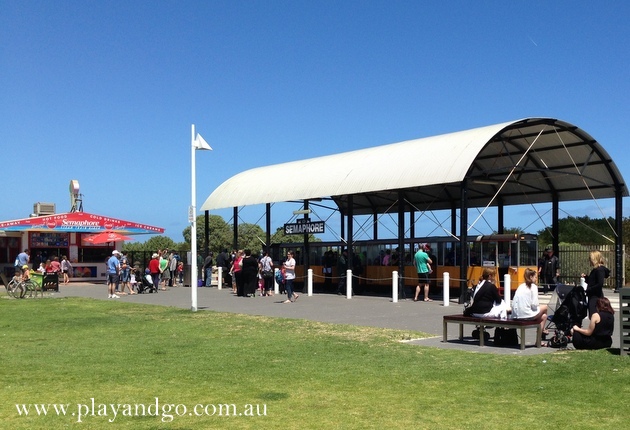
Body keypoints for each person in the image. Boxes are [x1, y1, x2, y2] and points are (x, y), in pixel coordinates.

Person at [511, 267, 548, 335]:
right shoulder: (533, 286)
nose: (536, 279)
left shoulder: (521, 286)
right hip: (525, 315)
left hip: (515, 315)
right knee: (545, 307)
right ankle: (542, 331)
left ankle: (539, 339)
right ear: (531, 277)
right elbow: (534, 304)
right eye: (535, 277)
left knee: (544, 316)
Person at [582, 250, 610, 318]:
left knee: (594, 315)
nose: (590, 261)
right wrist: (586, 278)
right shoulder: (596, 269)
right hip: (593, 295)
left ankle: (595, 328)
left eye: (590, 259)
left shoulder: (599, 270)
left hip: (596, 296)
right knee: (593, 315)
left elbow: (599, 284)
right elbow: (593, 281)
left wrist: (589, 289)